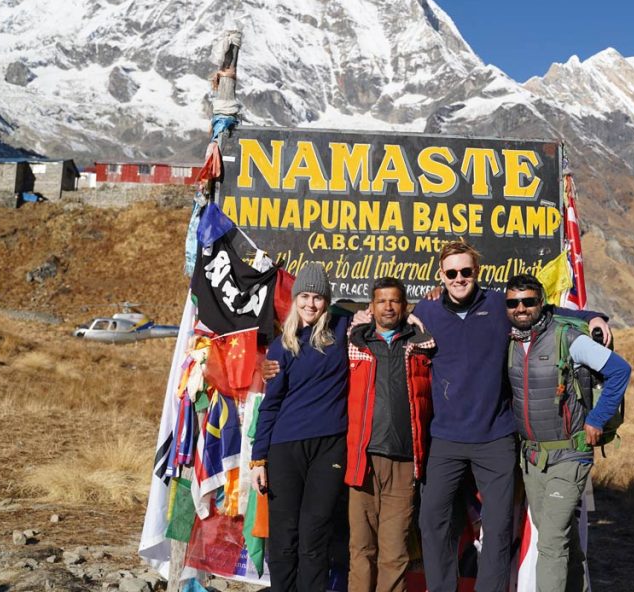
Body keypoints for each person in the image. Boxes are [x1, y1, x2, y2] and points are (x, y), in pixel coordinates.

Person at [413, 241, 610, 592]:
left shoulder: (498, 305)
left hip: (496, 437)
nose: (459, 279)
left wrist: (592, 317)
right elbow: (386, 319)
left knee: (499, 526)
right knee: (432, 521)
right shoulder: (425, 313)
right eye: (452, 273)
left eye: (466, 272)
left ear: (478, 273)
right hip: (445, 438)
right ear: (440, 275)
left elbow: (544, 313)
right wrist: (361, 318)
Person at [505, 273, 631, 592]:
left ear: (542, 303)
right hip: (532, 457)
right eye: (513, 303)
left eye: (529, 301)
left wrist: (598, 418)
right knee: (560, 534)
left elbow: (619, 370)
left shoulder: (568, 338)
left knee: (550, 542)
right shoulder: (508, 339)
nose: (521, 308)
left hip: (570, 453)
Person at [250, 262, 350, 592]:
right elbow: (271, 405)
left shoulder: (343, 330)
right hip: (285, 448)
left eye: (318, 297)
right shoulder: (281, 347)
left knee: (315, 532)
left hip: (329, 446)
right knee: (284, 534)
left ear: (327, 301)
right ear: (295, 299)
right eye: (304, 296)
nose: (311, 303)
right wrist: (258, 459)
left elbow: (383, 315)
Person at [345, 276, 435, 592]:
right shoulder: (354, 344)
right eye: (381, 300)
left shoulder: (422, 347)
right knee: (361, 549)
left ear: (404, 306)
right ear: (371, 306)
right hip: (363, 460)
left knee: (395, 553)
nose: (388, 306)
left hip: (404, 462)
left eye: (394, 300)